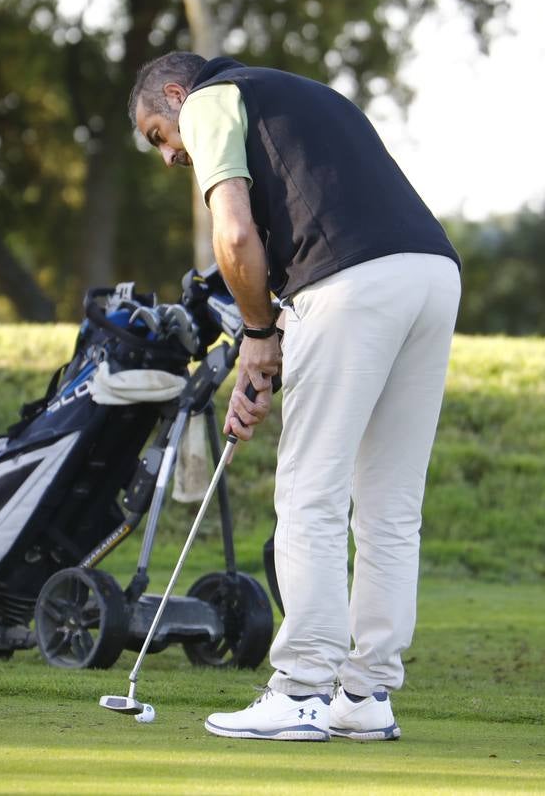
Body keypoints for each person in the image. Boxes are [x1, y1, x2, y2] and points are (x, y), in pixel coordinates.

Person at [129, 52, 461, 742]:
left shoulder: (210, 100)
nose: (167, 154)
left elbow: (235, 233)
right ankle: (366, 698)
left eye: (158, 133)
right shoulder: (304, 95)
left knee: (311, 494)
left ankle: (303, 690)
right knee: (391, 509)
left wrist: (257, 333)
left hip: (349, 283)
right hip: (431, 274)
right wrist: (272, 340)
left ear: (172, 93)